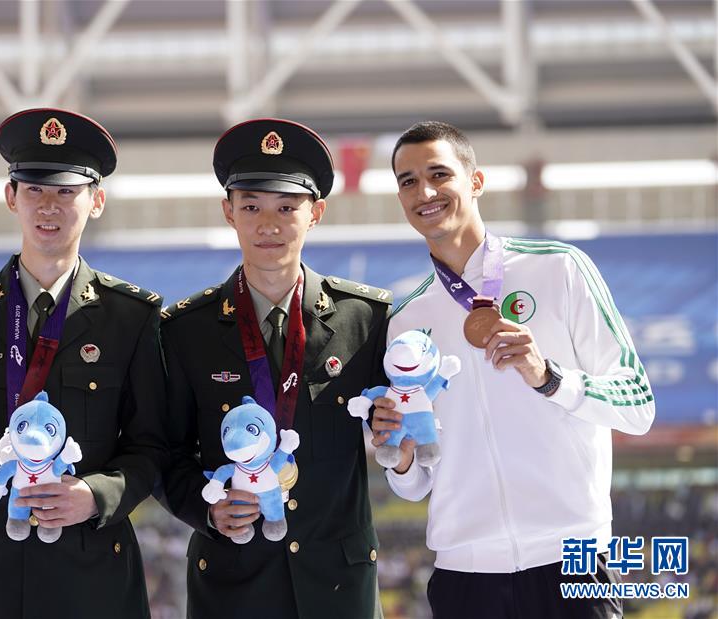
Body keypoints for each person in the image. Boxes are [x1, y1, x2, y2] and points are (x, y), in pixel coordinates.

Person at [372, 120, 655, 618]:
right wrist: (399, 456)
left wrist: (550, 378)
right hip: (464, 573)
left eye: (439, 174)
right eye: (408, 181)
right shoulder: (406, 320)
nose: (425, 192)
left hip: (574, 558)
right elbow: (414, 485)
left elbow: (638, 405)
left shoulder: (560, 268)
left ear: (476, 181)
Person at [0, 108, 168, 619]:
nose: (49, 206)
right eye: (34, 190)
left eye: (66, 192)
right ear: (11, 197)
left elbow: (153, 448)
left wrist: (95, 494)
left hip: (94, 577)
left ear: (96, 201)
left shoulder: (131, 316)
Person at [160, 118, 391, 618]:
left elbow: (396, 437)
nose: (268, 224)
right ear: (228, 212)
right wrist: (207, 508)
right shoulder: (185, 329)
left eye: (287, 207)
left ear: (316, 213)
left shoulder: (365, 318)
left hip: (339, 588)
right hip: (232, 584)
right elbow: (163, 450)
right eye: (251, 207)